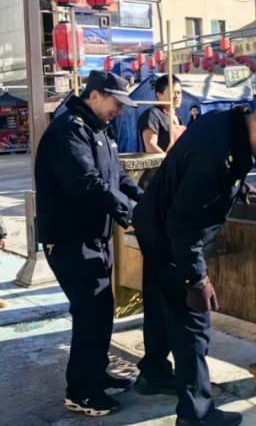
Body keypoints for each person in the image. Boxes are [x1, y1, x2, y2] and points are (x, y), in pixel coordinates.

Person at [132, 94, 256, 426]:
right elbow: (184, 223)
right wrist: (196, 279)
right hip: (168, 236)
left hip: (152, 222)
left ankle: (153, 373)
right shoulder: (216, 157)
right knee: (193, 324)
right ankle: (195, 414)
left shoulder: (227, 121)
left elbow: (195, 172)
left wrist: (237, 186)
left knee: (161, 304)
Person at [34, 71, 143, 416]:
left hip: (95, 237)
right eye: (115, 103)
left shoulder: (100, 129)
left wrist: (145, 200)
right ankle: (80, 392)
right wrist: (131, 214)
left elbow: (116, 176)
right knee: (89, 311)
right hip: (70, 239)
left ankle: (96, 374)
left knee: (101, 309)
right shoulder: (67, 131)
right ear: (94, 96)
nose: (119, 111)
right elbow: (88, 183)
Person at [138, 74, 185, 153]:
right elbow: (150, 145)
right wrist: (168, 159)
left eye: (179, 92)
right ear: (159, 95)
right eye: (173, 92)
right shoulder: (152, 115)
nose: (177, 96)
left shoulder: (177, 118)